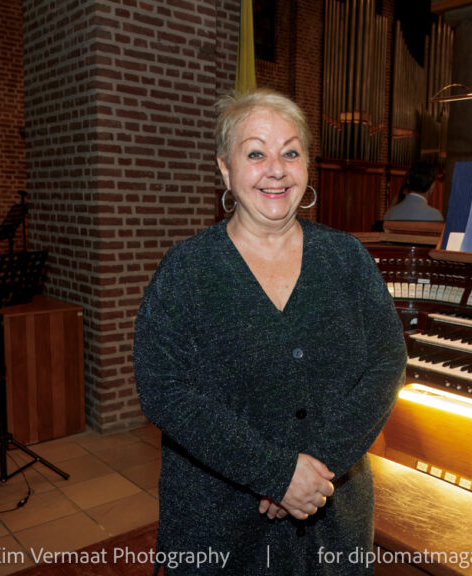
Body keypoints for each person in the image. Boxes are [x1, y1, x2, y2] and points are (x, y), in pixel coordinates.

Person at [133, 88, 407, 575]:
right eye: (256, 152)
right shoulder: (186, 270)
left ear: (307, 165)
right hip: (218, 524)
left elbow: (387, 364)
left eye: (291, 152)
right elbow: (164, 391)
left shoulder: (347, 258)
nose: (275, 169)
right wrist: (276, 475)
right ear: (225, 168)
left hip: (332, 516)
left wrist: (313, 472)